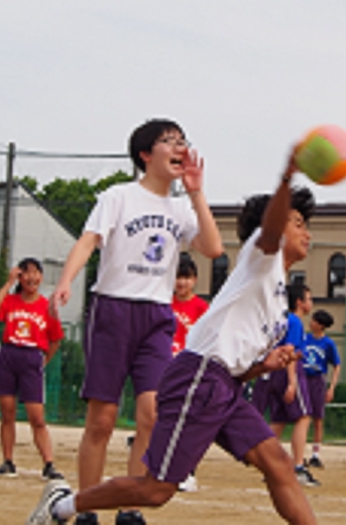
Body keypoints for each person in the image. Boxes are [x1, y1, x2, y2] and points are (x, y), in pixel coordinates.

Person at [26, 149, 318, 525]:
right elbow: (271, 230)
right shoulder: (262, 259)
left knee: (279, 464)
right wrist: (286, 179)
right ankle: (61, 506)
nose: (307, 232)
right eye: (298, 222)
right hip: (200, 379)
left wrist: (262, 366)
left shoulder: (277, 300)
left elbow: (233, 363)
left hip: (224, 387)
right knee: (155, 490)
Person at [47, 119, 223, 525]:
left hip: (157, 315)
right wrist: (66, 280)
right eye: (169, 141)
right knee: (102, 420)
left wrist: (196, 192)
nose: (179, 147)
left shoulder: (181, 208)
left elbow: (213, 248)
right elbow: (88, 241)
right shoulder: (118, 196)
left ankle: (130, 508)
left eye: (182, 141)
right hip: (113, 310)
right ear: (145, 154)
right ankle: (87, 507)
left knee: (152, 414)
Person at [0, 258, 65, 480]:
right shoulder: (11, 300)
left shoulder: (46, 306)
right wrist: (8, 282)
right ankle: (8, 461)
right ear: (20, 277)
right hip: (9, 354)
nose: (32, 277)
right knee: (7, 412)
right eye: (27, 273)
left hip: (32, 356)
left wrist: (43, 360)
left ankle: (48, 463)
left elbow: (56, 339)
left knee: (36, 416)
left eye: (36, 272)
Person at [262, 283, 319, 486]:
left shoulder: (282, 319)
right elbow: (290, 352)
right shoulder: (295, 321)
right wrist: (292, 382)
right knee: (304, 417)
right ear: (299, 302)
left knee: (279, 421)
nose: (311, 303)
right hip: (289, 371)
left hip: (274, 372)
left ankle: (268, 466)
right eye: (308, 299)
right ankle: (298, 467)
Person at [171, 252, 209, 492]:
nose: (182, 283)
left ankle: (188, 471)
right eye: (178, 277)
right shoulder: (165, 303)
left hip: (190, 369)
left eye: (186, 278)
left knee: (189, 421)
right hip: (166, 367)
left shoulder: (202, 308)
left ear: (194, 280)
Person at [302, 309, 341, 469]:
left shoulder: (328, 343)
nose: (310, 323)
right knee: (303, 417)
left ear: (321, 325)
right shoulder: (305, 338)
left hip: (317, 380)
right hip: (303, 379)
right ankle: (300, 454)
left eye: (314, 321)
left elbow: (336, 365)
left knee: (317, 418)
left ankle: (315, 455)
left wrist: (331, 388)